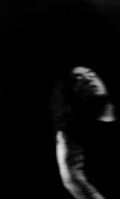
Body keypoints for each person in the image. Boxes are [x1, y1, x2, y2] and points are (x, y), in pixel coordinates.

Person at [51, 65, 119, 199]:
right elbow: (73, 180)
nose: (88, 79)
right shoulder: (72, 132)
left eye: (91, 74)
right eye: (79, 79)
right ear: (71, 91)